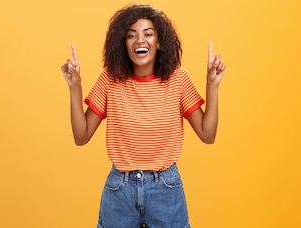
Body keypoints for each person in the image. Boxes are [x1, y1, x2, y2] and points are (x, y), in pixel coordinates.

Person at [60, 4, 226, 228]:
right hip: (120, 189)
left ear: (159, 43)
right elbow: (81, 136)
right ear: (123, 43)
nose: (140, 40)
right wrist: (75, 87)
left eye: (148, 34)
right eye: (131, 35)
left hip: (166, 188)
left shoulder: (177, 79)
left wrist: (212, 85)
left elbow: (208, 134)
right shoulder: (110, 80)